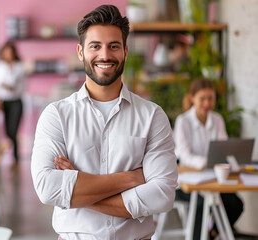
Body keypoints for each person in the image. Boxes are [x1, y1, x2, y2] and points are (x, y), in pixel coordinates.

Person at [31, 5, 178, 239]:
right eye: (95, 46)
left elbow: (162, 195)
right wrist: (130, 178)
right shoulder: (56, 115)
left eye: (114, 46)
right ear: (80, 52)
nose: (105, 55)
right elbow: (47, 189)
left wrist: (77, 189)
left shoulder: (152, 116)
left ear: (126, 52)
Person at [174, 78, 243, 239]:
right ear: (192, 98)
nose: (207, 103)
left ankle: (211, 234)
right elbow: (185, 156)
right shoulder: (183, 121)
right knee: (201, 204)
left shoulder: (217, 119)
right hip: (187, 183)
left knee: (235, 204)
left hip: (213, 179)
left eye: (211, 98)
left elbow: (223, 148)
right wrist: (207, 162)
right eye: (202, 99)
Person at [0, 42, 26, 165]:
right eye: (6, 52)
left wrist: (5, 85)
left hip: (16, 101)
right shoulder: (0, 67)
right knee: (7, 131)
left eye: (10, 52)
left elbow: (13, 85)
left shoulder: (19, 67)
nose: (8, 55)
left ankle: (16, 157)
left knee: (13, 130)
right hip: (4, 102)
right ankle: (11, 155)